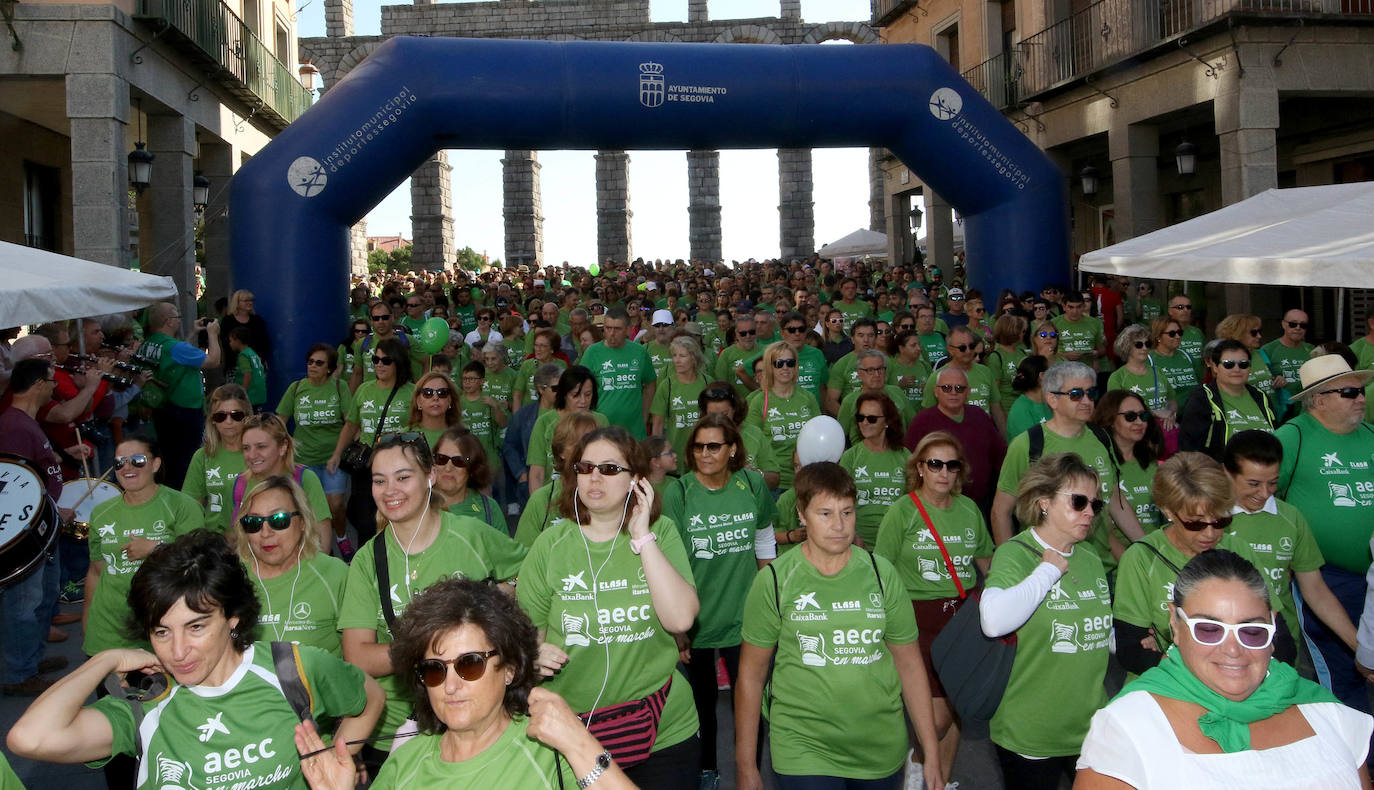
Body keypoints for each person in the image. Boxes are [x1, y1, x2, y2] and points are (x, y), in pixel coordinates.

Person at [9, 529, 385, 789]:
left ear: (232, 618)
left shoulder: (292, 669)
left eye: (196, 627)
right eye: (161, 631)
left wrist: (339, 757)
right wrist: (103, 660)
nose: (178, 651)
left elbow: (370, 697)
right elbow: (30, 738)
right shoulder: (145, 707)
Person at [294, 578, 636, 790]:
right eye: (434, 670)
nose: (450, 685)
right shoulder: (406, 764)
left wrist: (580, 744)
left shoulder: (549, 752)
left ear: (510, 669)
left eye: (469, 664)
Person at [1077, 550, 1374, 789]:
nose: (1233, 649)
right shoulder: (1128, 728)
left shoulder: (1328, 713)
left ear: (1272, 625)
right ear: (1175, 625)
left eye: (1252, 631)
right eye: (1208, 629)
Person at [734, 462, 944, 790]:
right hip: (803, 744)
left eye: (847, 512)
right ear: (801, 515)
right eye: (825, 514)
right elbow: (751, 676)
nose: (839, 525)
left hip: (879, 744)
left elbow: (909, 664)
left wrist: (930, 750)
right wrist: (745, 766)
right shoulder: (774, 580)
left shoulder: (882, 573)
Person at [517, 426, 702, 788]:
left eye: (610, 469)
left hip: (663, 727)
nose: (594, 477)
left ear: (637, 479)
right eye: (585, 468)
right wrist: (532, 654)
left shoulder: (660, 533)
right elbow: (525, 640)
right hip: (574, 732)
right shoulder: (550, 545)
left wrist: (641, 535)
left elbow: (680, 618)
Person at [339, 433, 526, 769]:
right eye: (379, 481)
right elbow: (359, 656)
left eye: (403, 477)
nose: (390, 490)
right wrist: (441, 651)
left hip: (478, 718)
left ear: (430, 477)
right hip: (402, 726)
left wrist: (505, 595)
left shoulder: (471, 535)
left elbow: (532, 571)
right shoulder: (369, 560)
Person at [980, 453, 1111, 789]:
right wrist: (1049, 570)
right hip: (1031, 731)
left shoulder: (1091, 558)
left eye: (1095, 504)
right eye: (1078, 501)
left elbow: (1099, 633)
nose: (1089, 512)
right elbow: (992, 621)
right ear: (1044, 503)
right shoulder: (1016, 553)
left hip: (1090, 725)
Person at [661, 414, 777, 790]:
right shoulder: (679, 493)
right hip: (697, 620)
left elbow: (763, 541)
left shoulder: (752, 484)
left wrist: (772, 598)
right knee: (702, 706)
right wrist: (678, 628)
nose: (705, 453)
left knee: (750, 703)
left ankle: (750, 772)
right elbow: (671, 560)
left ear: (732, 450)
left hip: (747, 618)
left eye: (714, 446)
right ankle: (707, 771)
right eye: (698, 446)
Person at [875, 432, 994, 779]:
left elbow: (986, 560)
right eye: (935, 464)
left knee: (957, 709)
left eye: (951, 465)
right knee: (937, 717)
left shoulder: (970, 510)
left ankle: (940, 778)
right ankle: (918, 763)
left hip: (963, 619)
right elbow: (881, 568)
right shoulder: (904, 511)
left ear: (960, 471)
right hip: (917, 619)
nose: (944, 471)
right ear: (920, 469)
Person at [1277, 355, 1374, 716]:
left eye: (1362, 390)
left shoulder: (1371, 435)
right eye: (1349, 392)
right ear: (1319, 399)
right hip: (1325, 575)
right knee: (1342, 671)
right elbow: (1261, 496)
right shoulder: (1292, 437)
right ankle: (1357, 762)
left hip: (1372, 574)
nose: (1361, 398)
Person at [1221, 430, 1356, 664]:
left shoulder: (1290, 518)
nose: (1264, 493)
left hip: (1279, 647)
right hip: (1221, 645)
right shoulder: (1207, 518)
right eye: (1253, 483)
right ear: (1227, 473)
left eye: (1273, 483)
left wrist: (1360, 647)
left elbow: (1315, 589)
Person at [993, 362, 1145, 570]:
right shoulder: (1028, 444)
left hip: (1099, 567)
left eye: (1091, 393)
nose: (1086, 401)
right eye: (1076, 394)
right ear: (1052, 399)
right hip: (1043, 569)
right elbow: (1001, 511)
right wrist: (1008, 566)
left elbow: (1116, 500)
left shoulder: (1102, 438)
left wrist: (1146, 547)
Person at [1114, 453, 1236, 677]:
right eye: (1195, 523)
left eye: (1220, 521)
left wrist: (1165, 655)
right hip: (1162, 689)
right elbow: (1131, 650)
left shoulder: (1238, 550)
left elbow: (1276, 636)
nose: (1210, 533)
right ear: (1168, 511)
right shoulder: (1141, 558)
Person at [84, 435, 207, 657]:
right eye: (119, 462)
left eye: (138, 460)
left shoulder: (182, 506)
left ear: (155, 464)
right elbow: (95, 571)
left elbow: (200, 561)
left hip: (165, 632)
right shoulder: (100, 513)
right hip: (107, 634)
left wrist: (156, 548)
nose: (127, 467)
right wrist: (87, 627)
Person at [0, 359, 68, 696]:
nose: (55, 388)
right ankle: (18, 673)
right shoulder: (14, 427)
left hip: (44, 524)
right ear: (39, 384)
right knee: (22, 605)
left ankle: (31, 659)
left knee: (40, 598)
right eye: (53, 382)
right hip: (29, 531)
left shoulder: (26, 423)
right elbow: (11, 488)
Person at [237, 476, 349, 656]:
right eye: (254, 523)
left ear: (303, 521)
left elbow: (359, 663)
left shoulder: (335, 574)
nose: (266, 533)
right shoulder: (230, 578)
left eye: (279, 520)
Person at [329, 337, 415, 545]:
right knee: (361, 516)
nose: (379, 364)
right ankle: (367, 558)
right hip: (366, 465)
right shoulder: (364, 389)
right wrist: (337, 454)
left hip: (398, 466)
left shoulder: (412, 392)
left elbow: (417, 428)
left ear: (398, 363)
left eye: (386, 361)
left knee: (395, 513)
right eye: (376, 360)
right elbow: (351, 425)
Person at [277, 344, 352, 558]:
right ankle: (321, 549)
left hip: (332, 458)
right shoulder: (297, 388)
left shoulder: (340, 386)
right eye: (310, 361)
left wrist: (338, 453)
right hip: (304, 460)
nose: (313, 366)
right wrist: (287, 444)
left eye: (319, 363)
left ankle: (342, 536)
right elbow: (280, 420)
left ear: (329, 368)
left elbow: (350, 422)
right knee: (308, 508)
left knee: (335, 504)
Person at [142, 302, 221, 489]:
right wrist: (213, 334)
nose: (180, 320)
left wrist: (193, 333)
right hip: (184, 411)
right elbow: (213, 360)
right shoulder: (175, 347)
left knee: (168, 458)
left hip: (161, 408)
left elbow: (176, 354)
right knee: (186, 462)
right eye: (177, 317)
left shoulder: (150, 343)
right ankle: (186, 499)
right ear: (169, 321)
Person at [905, 366, 1006, 513]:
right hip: (937, 505)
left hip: (980, 504)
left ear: (968, 392)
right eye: (946, 388)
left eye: (959, 388)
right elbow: (911, 466)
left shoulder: (980, 416)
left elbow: (1000, 457)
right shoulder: (921, 422)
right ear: (936, 392)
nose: (953, 392)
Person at [234, 413, 333, 552]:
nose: (251, 455)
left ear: (283, 446)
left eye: (261, 446)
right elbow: (237, 538)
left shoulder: (305, 479)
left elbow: (323, 540)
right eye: (246, 448)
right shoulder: (241, 483)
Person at [1178, 339, 1276, 458]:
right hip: (1220, 473)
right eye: (1228, 364)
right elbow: (1190, 449)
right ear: (1215, 367)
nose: (1237, 369)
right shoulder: (1202, 398)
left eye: (1243, 364)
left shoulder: (1261, 396)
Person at [745, 342, 822, 493]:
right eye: (779, 363)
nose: (785, 368)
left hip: (808, 480)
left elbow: (819, 436)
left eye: (790, 363)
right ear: (770, 367)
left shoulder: (808, 398)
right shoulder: (759, 402)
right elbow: (751, 444)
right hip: (777, 484)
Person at [838, 393, 912, 548]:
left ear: (887, 421)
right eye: (860, 417)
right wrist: (853, 536)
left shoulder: (905, 456)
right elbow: (840, 501)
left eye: (872, 419)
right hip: (859, 542)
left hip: (897, 540)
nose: (864, 423)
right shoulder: (850, 457)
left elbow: (913, 502)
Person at [525, 366, 607, 493]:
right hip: (553, 496)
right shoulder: (544, 423)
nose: (583, 401)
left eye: (588, 394)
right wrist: (539, 504)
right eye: (575, 395)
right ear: (563, 394)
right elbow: (537, 473)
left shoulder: (601, 421)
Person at [579, 308, 657, 439]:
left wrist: (644, 417)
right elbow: (580, 387)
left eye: (617, 329)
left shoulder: (639, 352)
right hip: (602, 431)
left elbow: (650, 383)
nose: (611, 333)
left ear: (627, 330)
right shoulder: (592, 352)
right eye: (608, 328)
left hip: (634, 432)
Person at [183, 384, 250, 535]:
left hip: (256, 537)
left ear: (247, 416)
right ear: (212, 420)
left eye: (236, 415)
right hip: (216, 543)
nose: (228, 421)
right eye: (220, 416)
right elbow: (191, 507)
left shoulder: (258, 453)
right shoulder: (202, 456)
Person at [504, 362, 562, 513]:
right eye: (556, 388)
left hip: (561, 483)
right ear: (541, 389)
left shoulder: (569, 414)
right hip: (531, 483)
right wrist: (521, 474)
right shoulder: (524, 415)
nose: (562, 391)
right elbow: (510, 446)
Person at [651, 335, 711, 475]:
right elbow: (657, 424)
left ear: (694, 358)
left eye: (682, 356)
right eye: (675, 355)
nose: (677, 360)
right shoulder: (667, 385)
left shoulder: (707, 383)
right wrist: (658, 456)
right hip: (675, 453)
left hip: (703, 453)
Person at [432, 427, 504, 532]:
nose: (448, 468)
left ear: (473, 468)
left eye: (459, 461)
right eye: (441, 459)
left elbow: (502, 547)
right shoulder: (416, 505)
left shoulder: (489, 508)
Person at [919, 326, 999, 419]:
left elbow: (997, 410)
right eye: (962, 348)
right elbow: (927, 416)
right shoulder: (937, 377)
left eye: (972, 346)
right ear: (950, 350)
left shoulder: (986, 372)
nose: (968, 351)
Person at [1106, 324, 1177, 429]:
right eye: (1139, 345)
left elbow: (1171, 400)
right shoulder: (1117, 377)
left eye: (1147, 344)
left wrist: (1171, 414)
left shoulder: (1158, 371)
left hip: (1163, 429)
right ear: (1127, 346)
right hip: (1134, 429)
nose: (1144, 348)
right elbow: (1117, 409)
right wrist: (1154, 413)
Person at [1216, 313, 1281, 406]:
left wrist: (1278, 380)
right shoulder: (1225, 359)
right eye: (1254, 333)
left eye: (1260, 331)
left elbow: (1268, 378)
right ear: (1238, 334)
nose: (1259, 336)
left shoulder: (1260, 354)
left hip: (1271, 411)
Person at [1261, 309, 1313, 418]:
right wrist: (1275, 380)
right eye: (1293, 324)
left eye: (1303, 325)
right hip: (1282, 411)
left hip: (1308, 409)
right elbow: (1260, 378)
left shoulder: (1311, 349)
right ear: (1284, 324)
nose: (1298, 328)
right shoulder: (1268, 350)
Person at [1148, 315, 1201, 408]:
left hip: (1193, 413)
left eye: (1179, 332)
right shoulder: (1148, 359)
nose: (1177, 336)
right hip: (1165, 416)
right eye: (1172, 334)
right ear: (1158, 336)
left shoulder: (1186, 356)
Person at [218, 289, 272, 376]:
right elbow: (225, 342)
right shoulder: (228, 321)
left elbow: (264, 342)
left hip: (255, 364)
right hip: (234, 365)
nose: (250, 303)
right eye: (246, 301)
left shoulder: (258, 321)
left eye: (251, 300)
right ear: (237, 302)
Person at [513, 327, 565, 411]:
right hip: (529, 414)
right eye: (536, 345)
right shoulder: (527, 365)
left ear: (552, 349)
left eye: (543, 346)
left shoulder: (561, 365)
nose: (538, 349)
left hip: (552, 414)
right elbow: (518, 395)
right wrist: (517, 418)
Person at [407, 370, 461, 449]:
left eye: (442, 392)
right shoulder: (404, 437)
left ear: (450, 400)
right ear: (418, 401)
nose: (435, 398)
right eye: (428, 393)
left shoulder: (463, 435)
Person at [1051, 291, 1106, 370]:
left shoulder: (1095, 323)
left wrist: (1096, 354)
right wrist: (1064, 355)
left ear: (1083, 306)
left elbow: (1102, 349)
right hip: (1062, 371)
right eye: (1071, 307)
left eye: (1078, 307)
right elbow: (1046, 350)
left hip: (1087, 372)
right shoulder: (1053, 323)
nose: (1075, 311)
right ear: (1064, 306)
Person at [1006, 354, 1052, 439]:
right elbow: (1031, 444)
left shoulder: (1051, 402)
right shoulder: (1021, 409)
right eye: (1052, 371)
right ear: (1042, 376)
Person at [717, 313, 761, 396]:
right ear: (736, 333)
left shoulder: (765, 351)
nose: (748, 336)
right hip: (737, 405)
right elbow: (722, 385)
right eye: (743, 333)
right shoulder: (726, 354)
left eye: (752, 332)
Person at [890, 330, 934, 409]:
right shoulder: (890, 366)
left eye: (919, 345)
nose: (919, 348)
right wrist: (899, 386)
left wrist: (928, 388)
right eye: (913, 345)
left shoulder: (925, 366)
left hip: (922, 415)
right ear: (901, 348)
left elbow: (935, 390)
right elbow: (883, 392)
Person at [228, 326, 268, 412]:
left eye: (231, 341)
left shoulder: (243, 356)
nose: (229, 343)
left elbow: (247, 374)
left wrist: (243, 393)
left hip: (250, 395)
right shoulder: (253, 353)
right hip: (259, 394)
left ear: (237, 341)